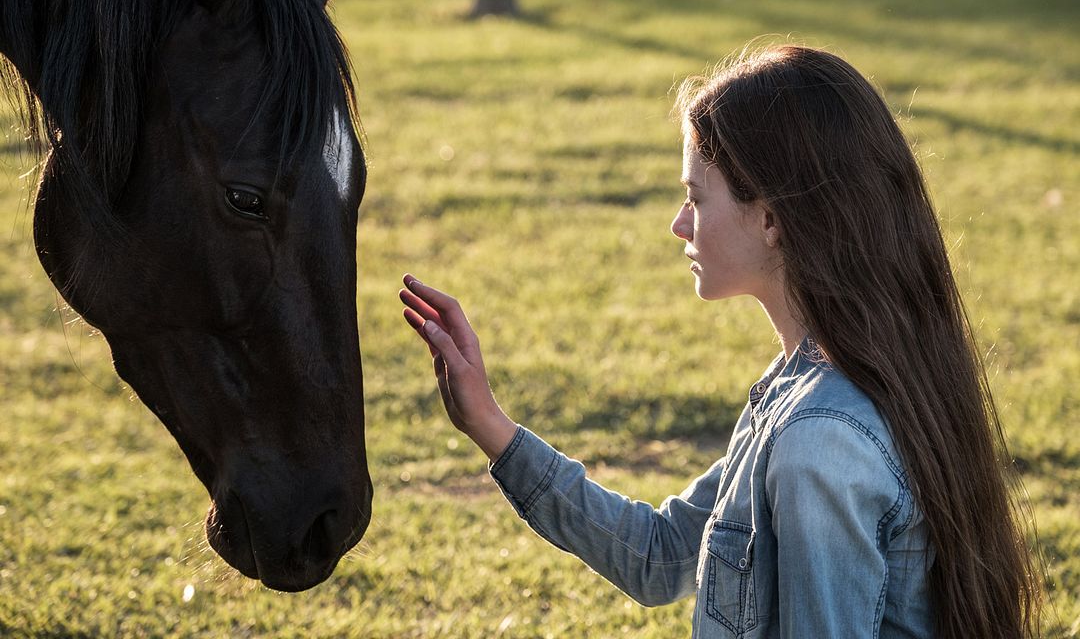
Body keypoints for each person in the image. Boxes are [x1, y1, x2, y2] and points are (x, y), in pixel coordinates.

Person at [398, 45, 1041, 638]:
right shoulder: (811, 386)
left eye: (695, 199)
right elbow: (660, 557)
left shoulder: (819, 437)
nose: (678, 224)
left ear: (769, 220)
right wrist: (488, 423)